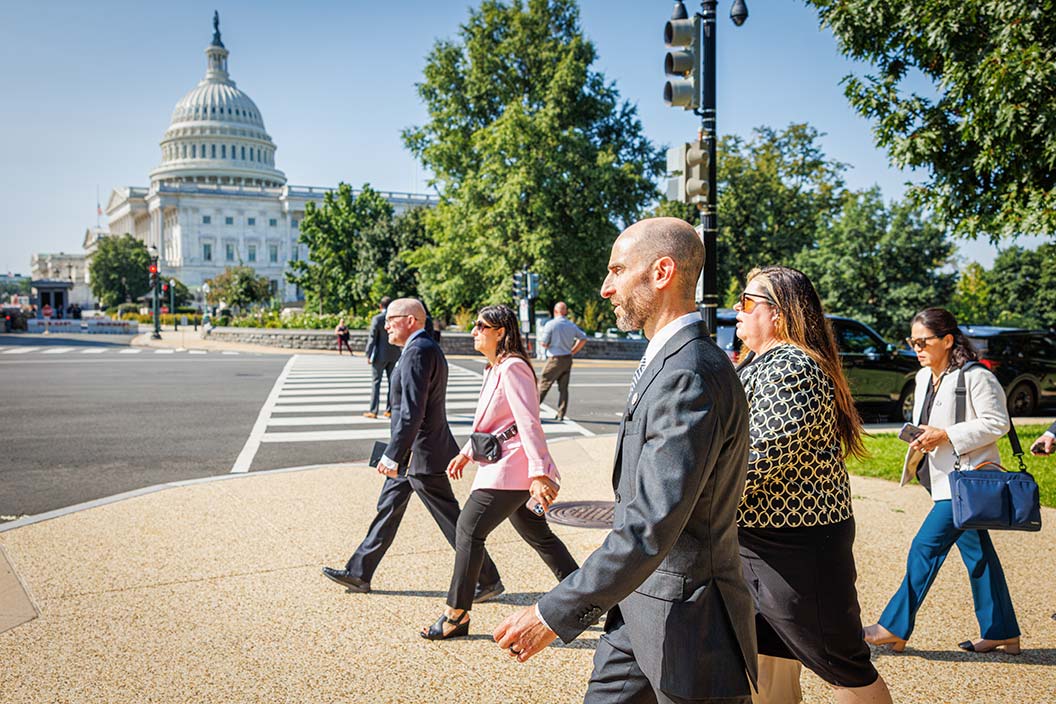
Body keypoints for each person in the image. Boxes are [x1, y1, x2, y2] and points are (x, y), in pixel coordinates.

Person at [493, 217, 758, 703]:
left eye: (617, 271)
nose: (605, 287)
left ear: (661, 272)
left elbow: (650, 524)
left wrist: (553, 611)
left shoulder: (690, 373)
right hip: (636, 605)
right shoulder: (672, 359)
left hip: (686, 621)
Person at [734, 266, 892, 704]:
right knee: (768, 656)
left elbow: (759, 457)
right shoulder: (764, 362)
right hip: (766, 541)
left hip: (797, 546)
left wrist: (694, 496)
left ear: (779, 313)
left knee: (844, 667)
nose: (736, 309)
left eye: (747, 301)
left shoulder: (794, 367)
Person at [322, 298, 503, 599]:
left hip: (421, 454)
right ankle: (359, 572)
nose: (385, 324)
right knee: (388, 509)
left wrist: (394, 454)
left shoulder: (418, 351)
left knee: (451, 521)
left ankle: (487, 580)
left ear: (410, 320)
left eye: (391, 319)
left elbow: (411, 412)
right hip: (416, 452)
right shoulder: (421, 348)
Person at [864, 307, 1021, 655]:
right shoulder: (924, 378)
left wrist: (946, 434)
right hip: (943, 481)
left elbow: (998, 423)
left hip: (965, 484)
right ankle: (1002, 631)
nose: (916, 347)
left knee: (924, 547)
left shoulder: (976, 377)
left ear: (948, 340)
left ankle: (893, 625)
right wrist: (923, 437)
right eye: (912, 341)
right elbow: (930, 423)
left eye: (924, 341)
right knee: (979, 555)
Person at [421, 304, 580, 640]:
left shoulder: (513, 368)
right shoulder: (494, 369)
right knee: (538, 535)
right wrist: (466, 452)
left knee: (468, 529)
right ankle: (583, 597)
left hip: (514, 466)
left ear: (501, 332)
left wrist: (539, 472)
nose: (474, 331)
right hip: (502, 461)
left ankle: (457, 614)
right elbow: (496, 423)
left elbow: (527, 421)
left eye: (481, 326)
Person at [537, 302, 588, 421]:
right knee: (563, 388)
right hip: (567, 358)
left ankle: (532, 411)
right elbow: (583, 338)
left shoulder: (551, 324)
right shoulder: (571, 325)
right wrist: (573, 351)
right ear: (565, 312)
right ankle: (561, 413)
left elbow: (544, 343)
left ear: (555, 311)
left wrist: (548, 345)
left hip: (555, 359)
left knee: (544, 385)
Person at [364, 297, 400, 419]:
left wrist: (368, 354)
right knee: (392, 383)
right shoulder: (395, 319)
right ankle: (389, 410)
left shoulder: (377, 319)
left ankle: (373, 410)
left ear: (380, 306)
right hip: (394, 354)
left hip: (379, 355)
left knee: (376, 382)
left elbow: (372, 338)